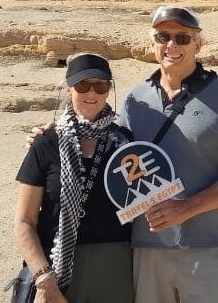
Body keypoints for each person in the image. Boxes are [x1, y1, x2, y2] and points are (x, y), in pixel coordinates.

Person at [120, 6, 218, 303]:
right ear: (153, 41)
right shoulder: (133, 100)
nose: (172, 45)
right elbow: (112, 157)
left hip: (204, 248)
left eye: (182, 38)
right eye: (163, 36)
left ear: (198, 43)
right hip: (146, 247)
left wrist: (185, 209)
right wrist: (49, 136)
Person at [13, 53, 134, 303]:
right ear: (69, 89)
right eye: (82, 85)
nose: (92, 92)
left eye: (100, 85)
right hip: (55, 270)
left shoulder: (126, 143)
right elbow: (24, 222)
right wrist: (43, 279)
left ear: (108, 90)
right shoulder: (46, 144)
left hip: (115, 269)